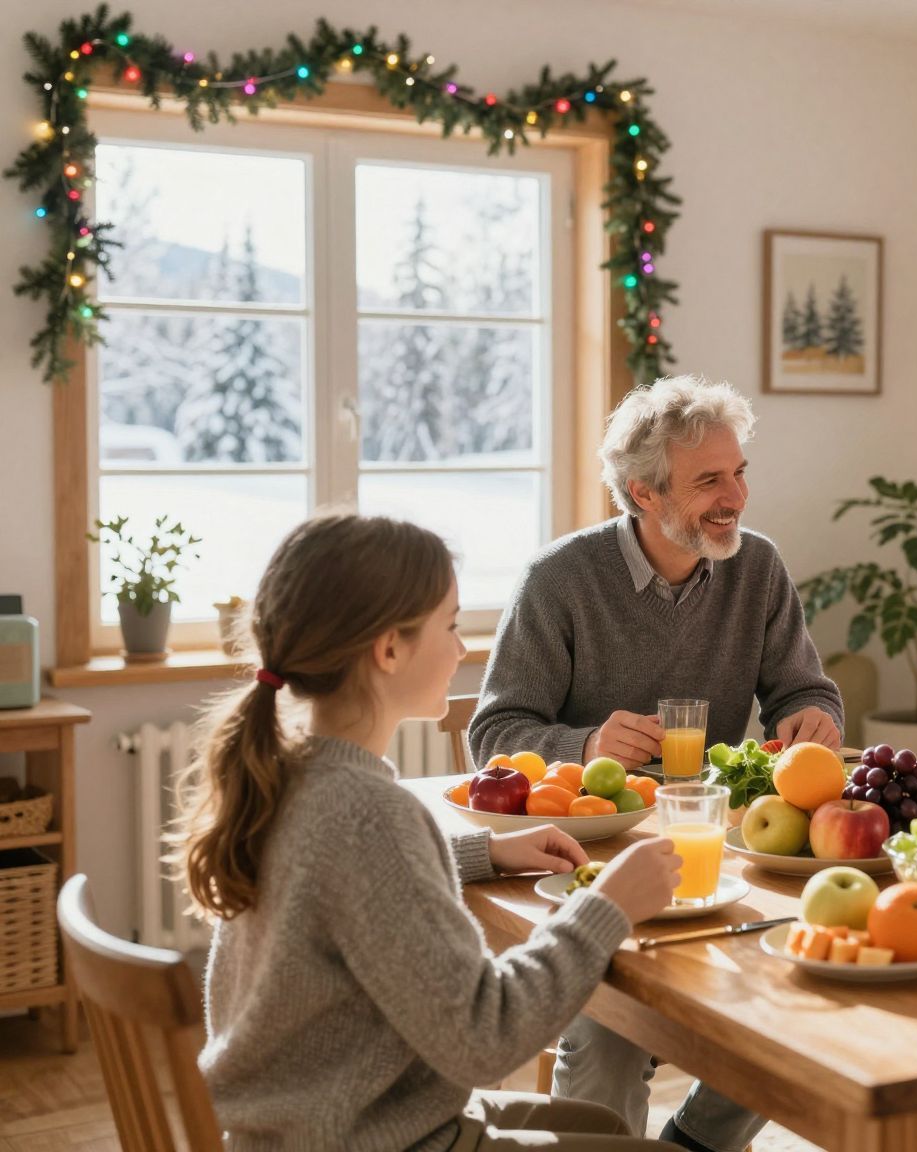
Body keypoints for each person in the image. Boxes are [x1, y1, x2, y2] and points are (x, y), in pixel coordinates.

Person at [180, 513, 684, 1151]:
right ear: (388, 649)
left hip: (307, 1128)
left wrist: (482, 850)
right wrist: (604, 908)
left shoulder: (296, 777)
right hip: (376, 1137)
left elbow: (346, 875)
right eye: (449, 625)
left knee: (606, 1128)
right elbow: (484, 1035)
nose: (464, 649)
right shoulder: (370, 814)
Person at [472, 375, 843, 1148]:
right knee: (609, 1036)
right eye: (709, 480)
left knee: (799, 1003)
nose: (734, 495)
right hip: (584, 854)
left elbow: (804, 687)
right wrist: (585, 747)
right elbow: (495, 734)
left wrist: (815, 714)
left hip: (721, 852)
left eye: (739, 472)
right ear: (643, 493)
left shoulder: (758, 569)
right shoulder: (560, 580)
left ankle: (690, 1146)